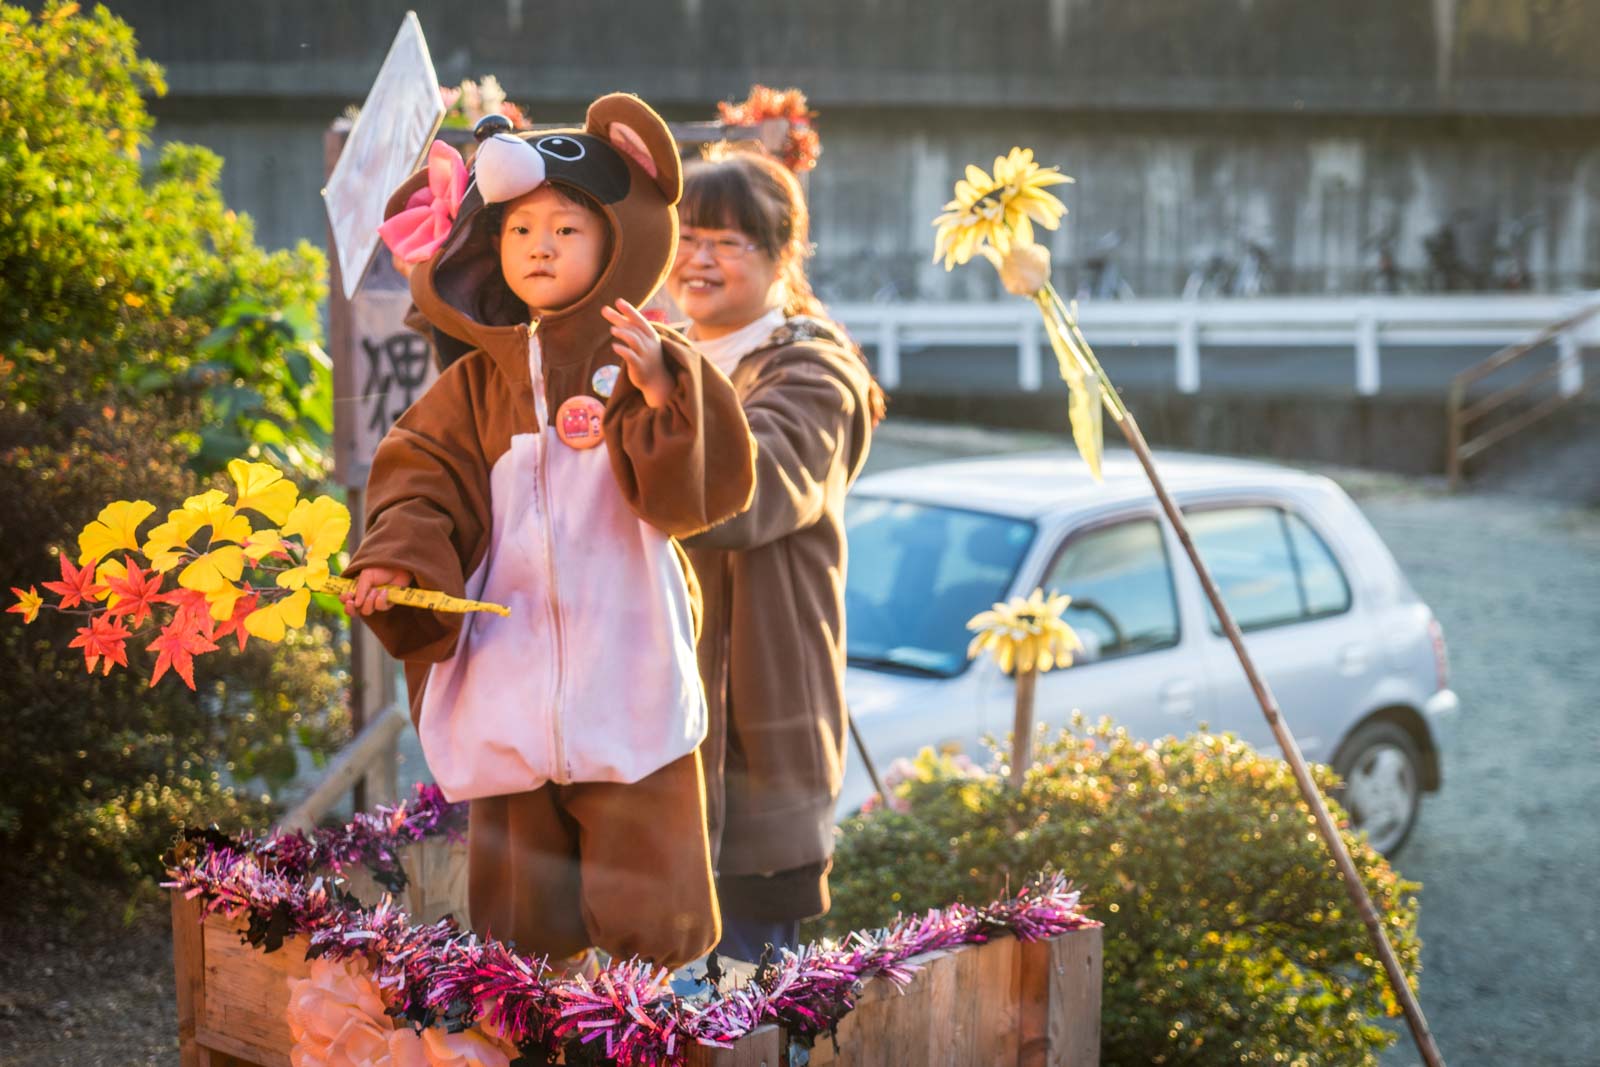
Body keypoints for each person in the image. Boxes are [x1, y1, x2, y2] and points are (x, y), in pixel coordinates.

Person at [343, 95, 756, 973]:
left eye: (568, 228)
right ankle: (532, 1006)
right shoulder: (472, 388)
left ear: (614, 242)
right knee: (521, 916)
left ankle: (649, 1009)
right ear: (489, 246)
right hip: (507, 670)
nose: (541, 246)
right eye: (521, 229)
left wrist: (662, 393)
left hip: (628, 671)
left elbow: (695, 497)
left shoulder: (647, 356)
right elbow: (418, 482)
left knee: (650, 897)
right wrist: (397, 560)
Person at [668, 144, 884, 960]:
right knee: (637, 1006)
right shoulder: (659, 351)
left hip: (755, 749)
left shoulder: (813, 372)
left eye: (727, 241)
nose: (699, 259)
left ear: (782, 254)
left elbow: (744, 495)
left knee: (742, 998)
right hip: (659, 740)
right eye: (686, 238)